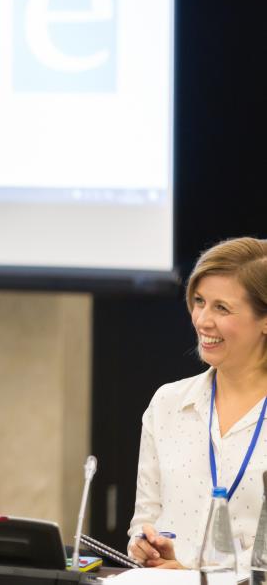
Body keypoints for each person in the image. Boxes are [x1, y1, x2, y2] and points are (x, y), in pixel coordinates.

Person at [129, 237, 267, 570]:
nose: (202, 320)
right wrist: (147, 546)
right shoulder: (168, 403)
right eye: (199, 301)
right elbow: (145, 518)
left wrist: (195, 572)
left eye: (222, 308)